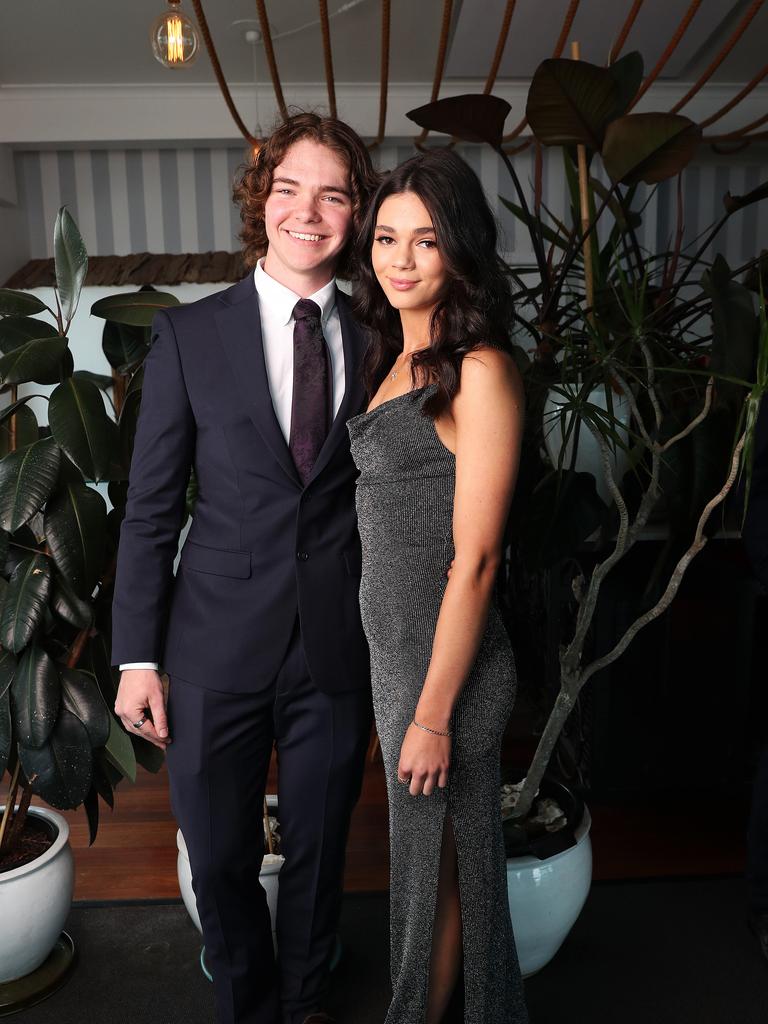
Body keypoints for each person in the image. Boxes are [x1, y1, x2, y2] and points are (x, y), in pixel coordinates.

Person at [111, 112, 379, 1024]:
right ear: (260, 200)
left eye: (333, 193)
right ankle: (249, 1009)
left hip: (339, 649)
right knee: (219, 856)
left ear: (354, 213)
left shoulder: (385, 342)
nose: (309, 211)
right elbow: (151, 508)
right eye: (290, 188)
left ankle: (303, 1008)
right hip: (211, 646)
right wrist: (135, 656)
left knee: (317, 854)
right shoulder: (190, 336)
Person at [347, 149, 529, 1023]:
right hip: (403, 669)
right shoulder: (395, 359)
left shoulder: (481, 369)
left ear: (460, 250)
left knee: (440, 883)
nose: (402, 259)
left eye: (426, 240)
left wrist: (429, 715)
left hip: (445, 679)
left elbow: (479, 560)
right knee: (433, 878)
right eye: (387, 237)